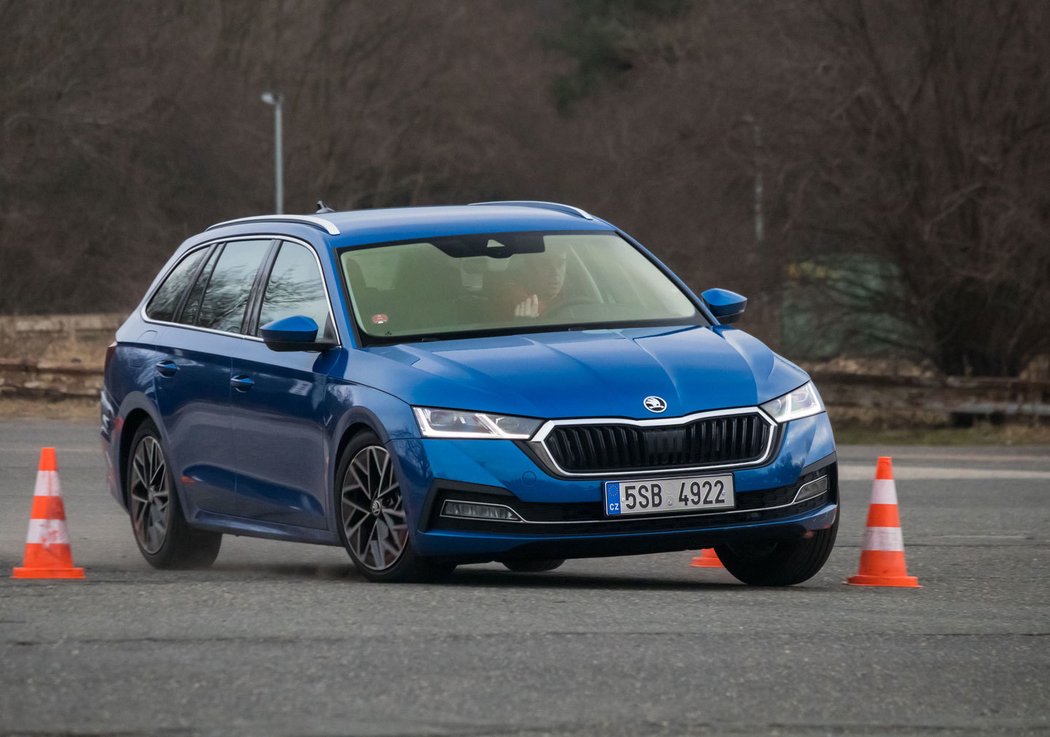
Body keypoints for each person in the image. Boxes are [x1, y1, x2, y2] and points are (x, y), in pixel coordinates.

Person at [501, 250, 569, 318]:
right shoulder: (513, 301)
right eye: (546, 265)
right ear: (529, 269)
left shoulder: (573, 294)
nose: (555, 273)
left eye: (561, 263)